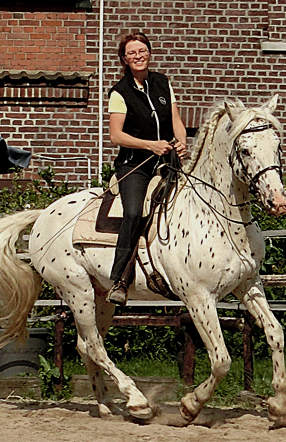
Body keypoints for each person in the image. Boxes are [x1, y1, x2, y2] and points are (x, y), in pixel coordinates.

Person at [106, 31, 188, 306]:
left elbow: (176, 119)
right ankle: (119, 278)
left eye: (142, 51)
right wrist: (149, 145)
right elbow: (116, 136)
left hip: (167, 161)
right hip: (135, 165)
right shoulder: (119, 92)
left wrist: (183, 141)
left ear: (149, 53)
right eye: (132, 53)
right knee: (133, 211)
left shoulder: (163, 82)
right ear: (124, 60)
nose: (138, 56)